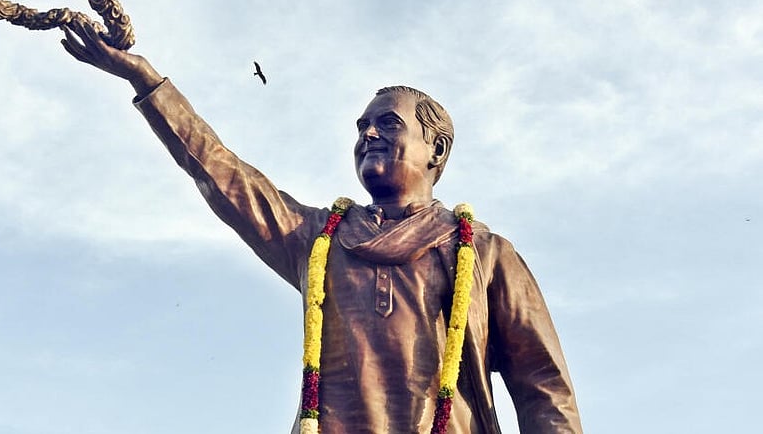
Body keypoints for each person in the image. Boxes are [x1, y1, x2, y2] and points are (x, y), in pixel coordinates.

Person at [60, 22, 582, 434]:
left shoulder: (484, 253)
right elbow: (228, 179)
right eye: (362, 127)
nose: (368, 133)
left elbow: (543, 387)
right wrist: (149, 84)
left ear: (436, 149)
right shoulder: (321, 240)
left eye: (388, 123)